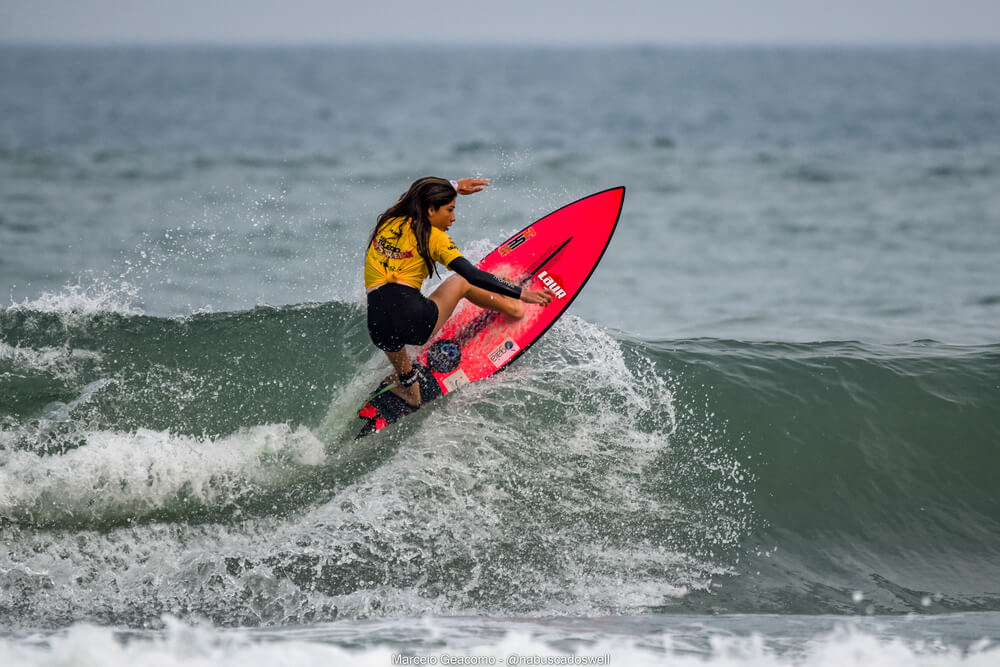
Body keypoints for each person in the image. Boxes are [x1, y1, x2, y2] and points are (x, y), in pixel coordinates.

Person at [364, 176, 554, 407]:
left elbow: (412, 194)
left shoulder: (391, 219)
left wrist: (453, 187)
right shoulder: (435, 238)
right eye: (449, 210)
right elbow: (472, 275)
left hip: (378, 330)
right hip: (416, 323)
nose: (453, 218)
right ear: (430, 210)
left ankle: (409, 384)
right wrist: (519, 293)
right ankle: (511, 307)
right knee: (460, 281)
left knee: (388, 318)